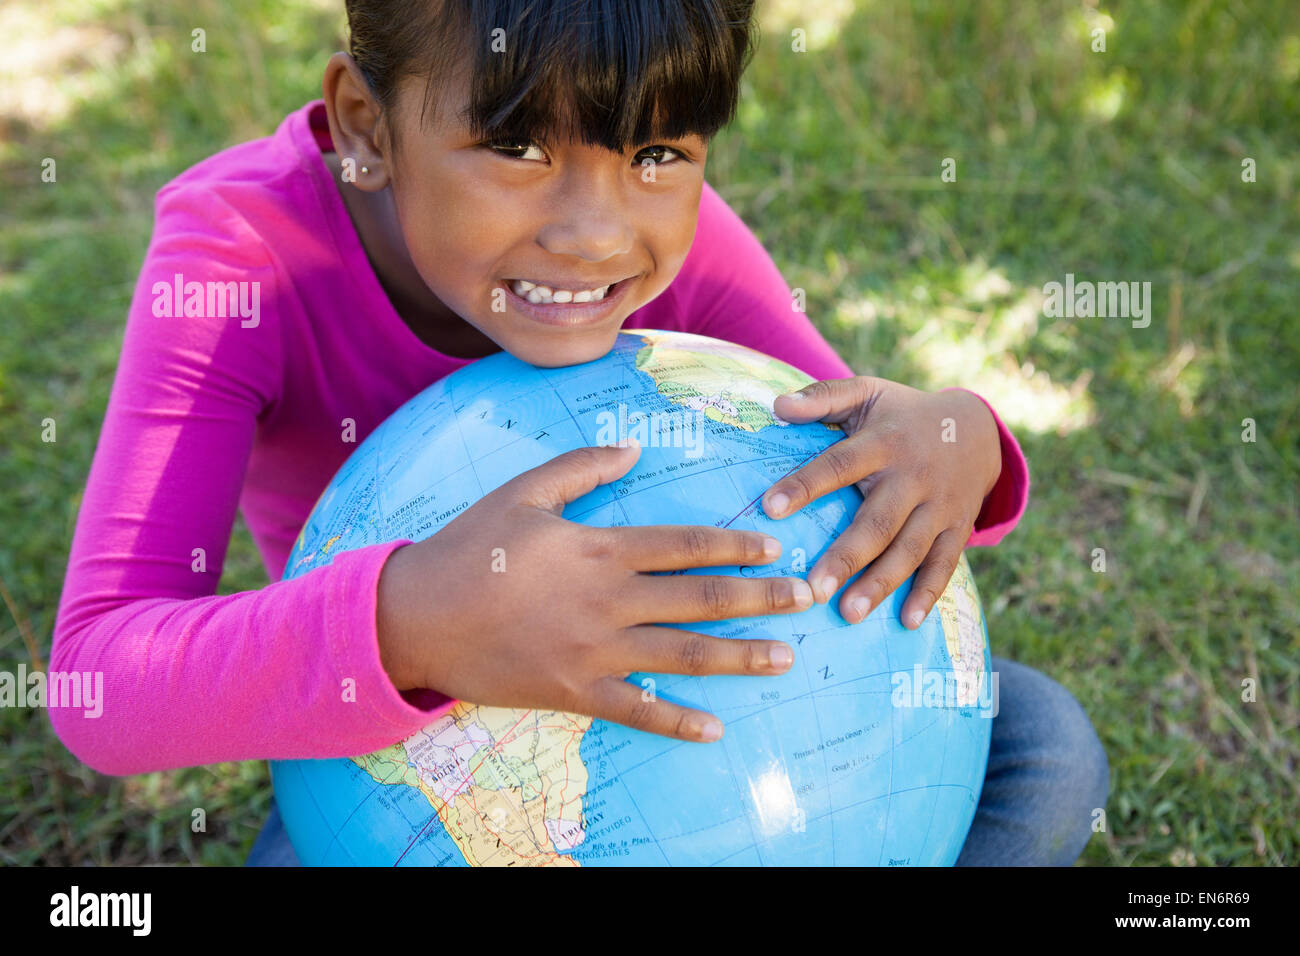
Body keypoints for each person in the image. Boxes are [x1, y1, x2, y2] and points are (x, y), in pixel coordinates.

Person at [49, 0, 1107, 866]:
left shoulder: (671, 243)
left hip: (722, 743)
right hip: (419, 778)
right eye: (514, 143)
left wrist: (956, 437)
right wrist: (408, 623)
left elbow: (849, 455)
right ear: (367, 127)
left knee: (1041, 747)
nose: (595, 231)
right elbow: (100, 679)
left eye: (654, 150)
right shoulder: (239, 259)